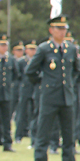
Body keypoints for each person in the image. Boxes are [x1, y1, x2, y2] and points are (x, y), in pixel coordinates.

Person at [26, 15, 80, 161]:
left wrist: (68, 83)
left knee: (68, 135)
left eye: (64, 28)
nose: (62, 32)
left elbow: (76, 70)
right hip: (49, 96)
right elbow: (30, 71)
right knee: (44, 133)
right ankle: (40, 158)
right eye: (59, 28)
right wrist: (43, 82)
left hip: (67, 97)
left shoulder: (71, 48)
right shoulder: (44, 49)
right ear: (51, 30)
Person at [0, 34, 19, 152]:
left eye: (5, 45)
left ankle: (7, 143)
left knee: (7, 120)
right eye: (1, 45)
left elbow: (16, 75)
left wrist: (8, 85)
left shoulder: (10, 59)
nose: (4, 47)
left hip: (6, 93)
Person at [15, 40, 37, 144]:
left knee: (34, 114)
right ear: (26, 50)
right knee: (21, 113)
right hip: (24, 89)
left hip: (34, 88)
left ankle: (33, 137)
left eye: (34, 49)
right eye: (31, 49)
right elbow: (17, 75)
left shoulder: (37, 61)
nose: (33, 51)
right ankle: (18, 135)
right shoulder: (21, 62)